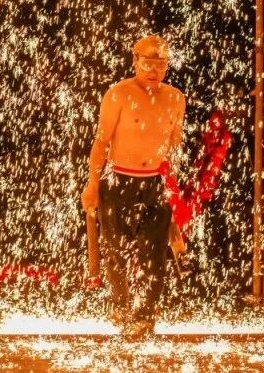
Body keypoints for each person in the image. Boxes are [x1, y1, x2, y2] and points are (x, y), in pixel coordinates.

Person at [81, 35, 186, 338]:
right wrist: (92, 184)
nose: (154, 70)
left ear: (167, 66)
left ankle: (145, 317)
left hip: (155, 180)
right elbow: (101, 142)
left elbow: (174, 146)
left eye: (161, 64)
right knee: (116, 249)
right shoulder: (119, 94)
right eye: (148, 63)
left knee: (155, 254)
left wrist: (173, 187)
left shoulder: (176, 98)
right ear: (135, 62)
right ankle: (121, 305)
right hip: (118, 179)